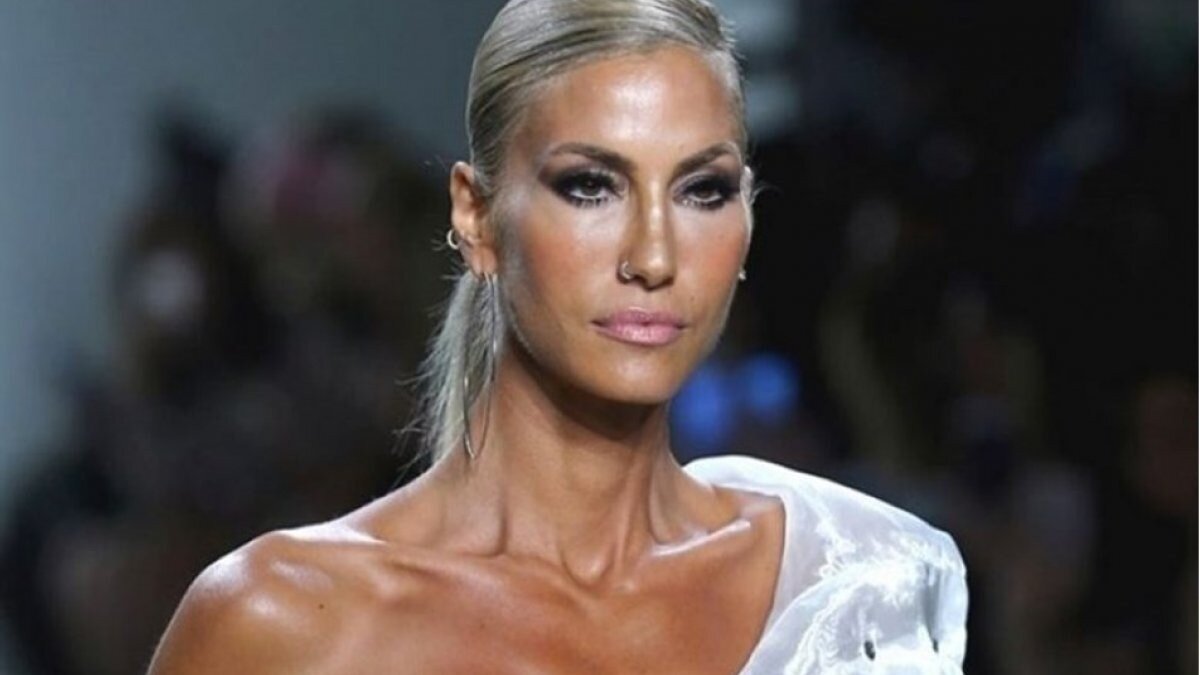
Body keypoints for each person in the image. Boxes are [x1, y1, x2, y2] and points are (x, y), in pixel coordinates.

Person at [147, 0, 967, 672]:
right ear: (476, 217)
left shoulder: (863, 578)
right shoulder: (283, 624)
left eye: (702, 190)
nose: (654, 256)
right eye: (590, 186)